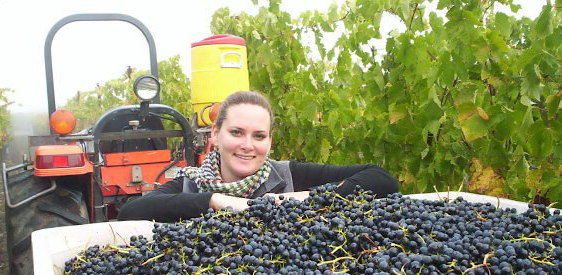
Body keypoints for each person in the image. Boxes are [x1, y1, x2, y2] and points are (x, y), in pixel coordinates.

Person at [118, 91, 399, 223]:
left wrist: (293, 200)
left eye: (259, 136)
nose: (247, 145)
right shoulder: (189, 184)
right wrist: (215, 201)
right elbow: (130, 213)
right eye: (237, 132)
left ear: (269, 140)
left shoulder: (288, 176)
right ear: (215, 135)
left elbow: (382, 179)